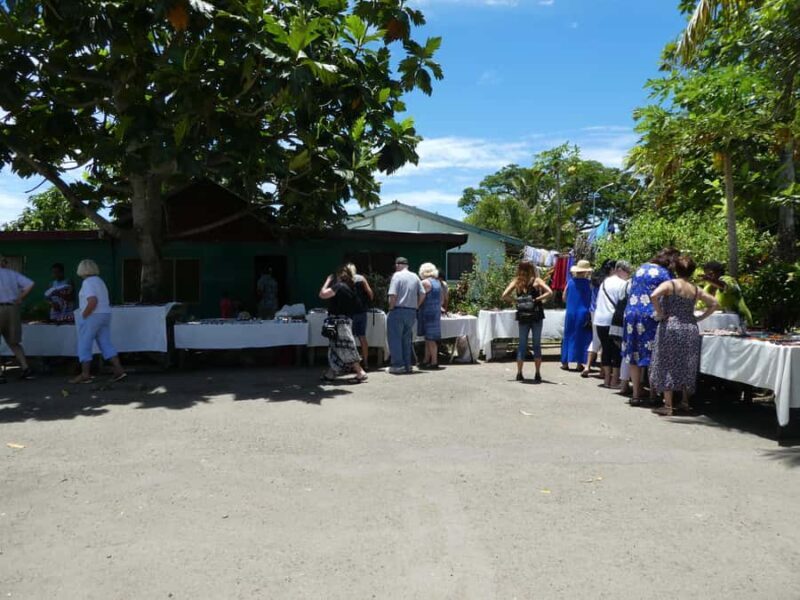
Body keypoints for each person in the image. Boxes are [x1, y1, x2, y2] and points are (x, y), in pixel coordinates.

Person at [650, 255, 718, 416]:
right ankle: (685, 402)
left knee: (667, 362)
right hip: (690, 327)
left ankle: (668, 404)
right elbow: (714, 303)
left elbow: (653, 296)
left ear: (676, 269)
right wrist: (699, 318)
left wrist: (660, 313)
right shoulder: (695, 289)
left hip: (670, 326)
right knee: (687, 363)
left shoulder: (670, 284)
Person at [622, 248, 679, 406]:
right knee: (653, 354)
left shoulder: (641, 268)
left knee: (634, 353)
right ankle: (653, 393)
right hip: (651, 315)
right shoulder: (665, 274)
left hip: (631, 313)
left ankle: (635, 394)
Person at [70, 259, 126, 384]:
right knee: (105, 343)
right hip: (105, 314)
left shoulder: (87, 283)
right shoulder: (100, 281)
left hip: (93, 315)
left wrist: (84, 314)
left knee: (84, 343)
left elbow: (92, 301)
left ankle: (85, 374)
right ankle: (119, 369)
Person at [502, 260, 553, 383]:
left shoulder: (517, 281)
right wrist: (537, 299)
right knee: (536, 345)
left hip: (523, 316)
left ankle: (519, 373)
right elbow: (550, 292)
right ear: (532, 268)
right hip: (536, 315)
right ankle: (537, 373)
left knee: (522, 345)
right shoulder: (537, 281)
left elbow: (504, 295)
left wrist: (517, 301)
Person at [318, 267, 368, 383]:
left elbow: (322, 294)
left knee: (346, 347)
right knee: (335, 348)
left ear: (340, 276)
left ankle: (360, 372)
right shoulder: (350, 288)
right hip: (345, 320)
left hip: (338, 322)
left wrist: (327, 281)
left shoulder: (339, 286)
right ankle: (331, 374)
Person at [593, 260, 632, 388]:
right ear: (620, 270)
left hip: (600, 319)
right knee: (616, 350)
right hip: (613, 321)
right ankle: (615, 380)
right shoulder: (623, 284)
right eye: (627, 272)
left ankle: (606, 380)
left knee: (605, 349)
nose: (628, 275)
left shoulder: (605, 282)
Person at [386, 257, 425, 374]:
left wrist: (391, 308)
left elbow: (393, 295)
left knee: (395, 339)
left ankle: (398, 365)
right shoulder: (415, 276)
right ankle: (408, 365)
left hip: (398, 310)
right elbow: (423, 294)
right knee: (407, 340)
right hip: (411, 312)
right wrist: (416, 306)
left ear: (398, 265)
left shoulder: (397, 276)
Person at [0, 256, 35, 382]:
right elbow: (30, 284)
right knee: (13, 341)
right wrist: (20, 298)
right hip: (13, 309)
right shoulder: (13, 274)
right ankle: (26, 368)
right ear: (4, 263)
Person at [582, 259, 616, 378]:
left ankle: (587, 366)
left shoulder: (595, 278)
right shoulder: (608, 281)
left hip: (593, 311)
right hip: (605, 311)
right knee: (605, 341)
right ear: (612, 269)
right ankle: (602, 370)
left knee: (596, 338)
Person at [560, 259, 593, 372]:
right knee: (582, 337)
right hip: (583, 312)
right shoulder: (589, 284)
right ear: (586, 271)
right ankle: (579, 363)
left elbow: (564, 297)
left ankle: (565, 363)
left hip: (570, 312)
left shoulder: (570, 282)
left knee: (568, 335)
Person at [700, 261, 753, 326]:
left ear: (719, 272)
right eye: (706, 274)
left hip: (739, 321)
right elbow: (701, 305)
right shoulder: (707, 287)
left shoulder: (729, 280)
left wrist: (710, 280)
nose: (708, 276)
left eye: (710, 274)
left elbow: (724, 286)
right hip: (720, 323)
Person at [418, 262, 445, 370]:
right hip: (436, 312)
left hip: (427, 312)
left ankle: (434, 362)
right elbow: (442, 300)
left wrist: (416, 306)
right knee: (429, 338)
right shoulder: (438, 283)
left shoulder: (424, 282)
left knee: (430, 339)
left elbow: (421, 297)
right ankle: (426, 360)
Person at [346, 263, 374, 367]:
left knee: (349, 338)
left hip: (349, 312)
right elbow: (370, 293)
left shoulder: (345, 279)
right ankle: (365, 362)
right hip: (361, 311)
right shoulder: (361, 278)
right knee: (362, 337)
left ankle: (351, 364)